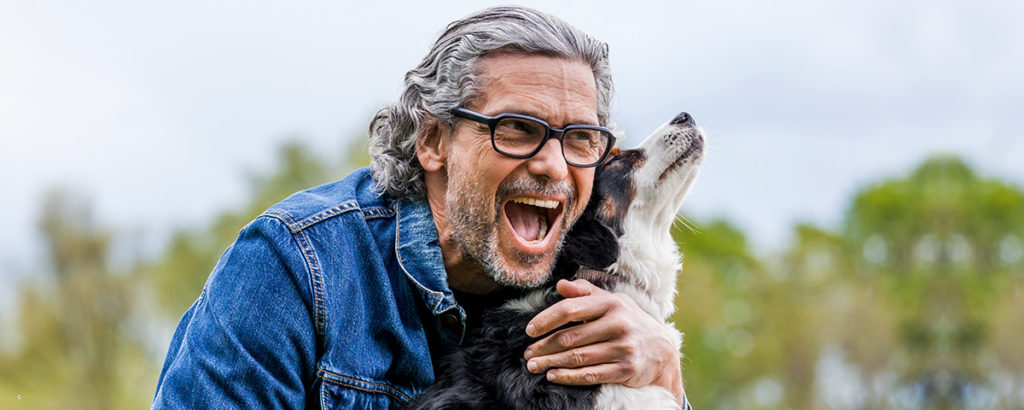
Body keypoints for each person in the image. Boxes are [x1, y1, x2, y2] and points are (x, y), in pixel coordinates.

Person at [153, 6, 690, 409]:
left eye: (579, 138)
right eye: (517, 130)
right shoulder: (292, 267)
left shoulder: (589, 286)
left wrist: (664, 370)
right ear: (432, 141)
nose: (553, 164)